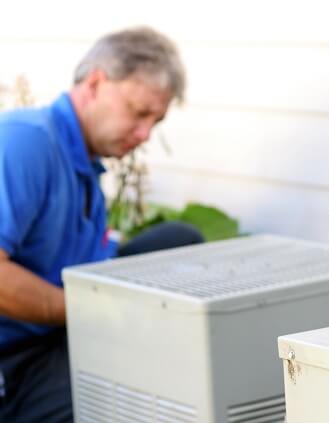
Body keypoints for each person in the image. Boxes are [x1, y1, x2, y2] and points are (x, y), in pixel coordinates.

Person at [0, 27, 203, 422]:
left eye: (155, 122)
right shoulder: (25, 142)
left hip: (59, 328)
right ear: (95, 83)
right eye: (139, 113)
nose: (145, 134)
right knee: (132, 396)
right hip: (15, 358)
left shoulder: (85, 160)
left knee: (181, 240)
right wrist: (94, 312)